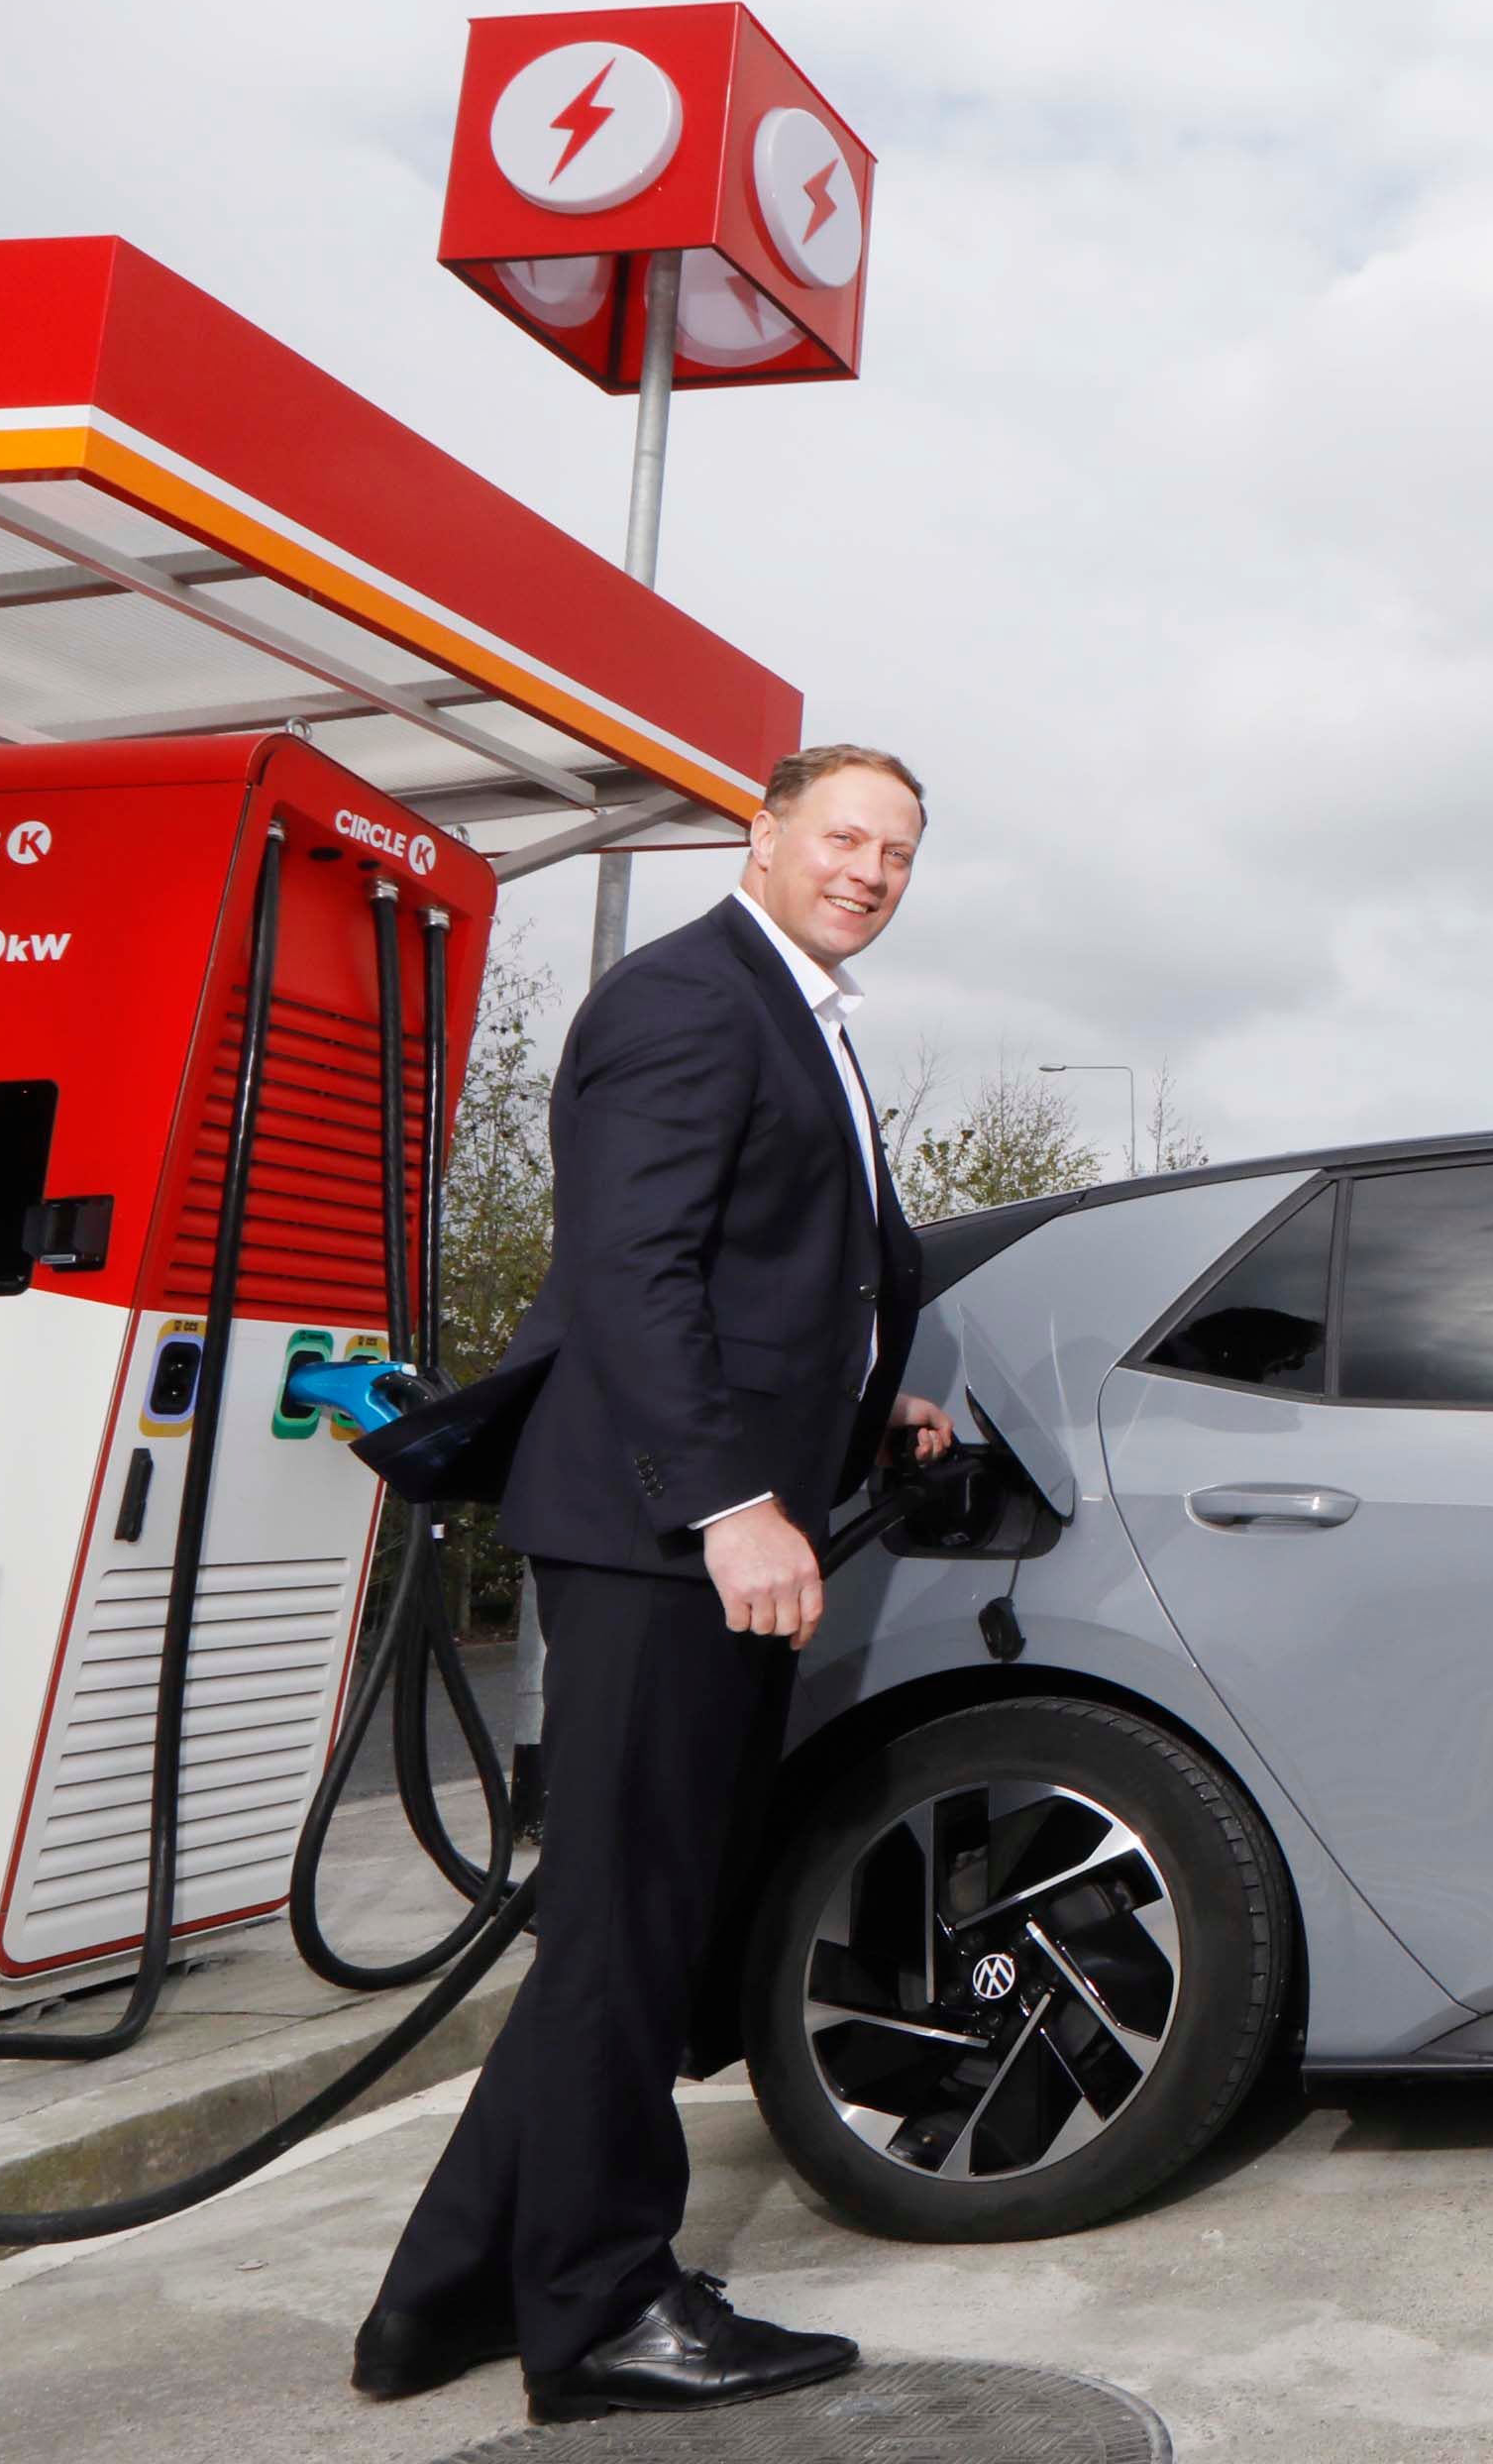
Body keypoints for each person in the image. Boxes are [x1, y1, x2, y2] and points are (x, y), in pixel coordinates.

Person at [355, 746, 949, 2423]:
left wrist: (865, 1402)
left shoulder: (787, 1010)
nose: (869, 869)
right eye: (842, 835)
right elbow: (632, 1272)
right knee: (630, 1929)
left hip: (687, 1524)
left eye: (897, 852)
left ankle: (452, 2289)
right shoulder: (690, 998)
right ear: (761, 836)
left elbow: (768, 1270)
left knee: (631, 1924)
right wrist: (733, 1502)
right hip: (656, 1537)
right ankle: (605, 2308)